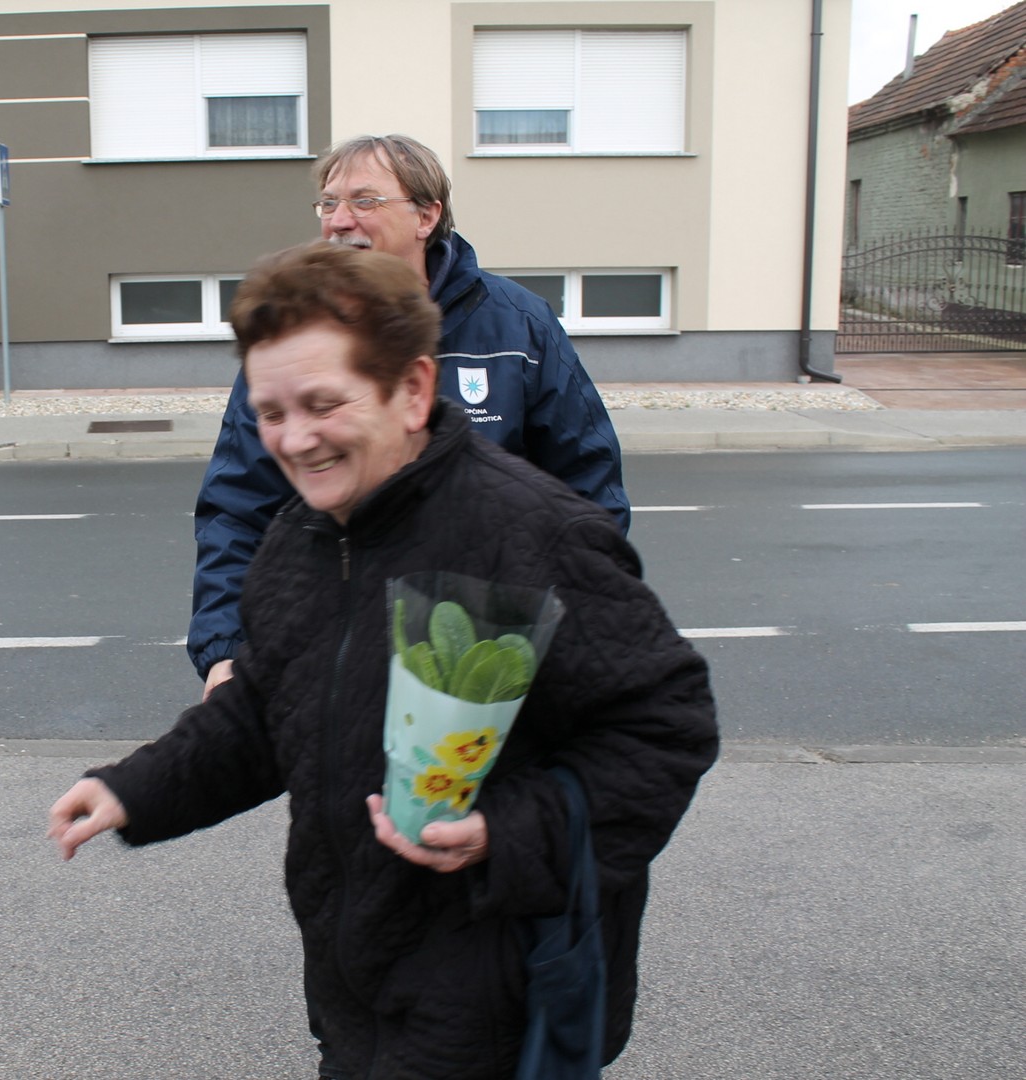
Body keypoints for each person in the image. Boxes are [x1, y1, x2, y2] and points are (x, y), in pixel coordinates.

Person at [49, 242, 717, 1080]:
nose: (294, 440)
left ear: (412, 391)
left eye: (323, 404)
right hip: (356, 974)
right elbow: (266, 707)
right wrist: (134, 786)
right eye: (271, 411)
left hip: (499, 987)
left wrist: (504, 833)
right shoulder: (300, 536)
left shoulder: (533, 534)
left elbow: (667, 727)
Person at [191, 134, 629, 700]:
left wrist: (571, 629)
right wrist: (226, 651)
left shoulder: (518, 326)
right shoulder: (292, 334)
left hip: (483, 657)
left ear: (427, 215)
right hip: (335, 656)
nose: (340, 221)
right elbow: (237, 507)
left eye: (365, 202)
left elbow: (588, 490)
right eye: (329, 203)